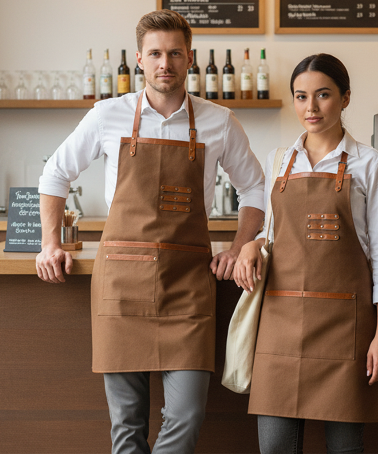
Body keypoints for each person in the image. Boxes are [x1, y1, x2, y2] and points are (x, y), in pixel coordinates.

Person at [36, 9, 265, 454]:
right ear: (139, 59)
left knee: (187, 415)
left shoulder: (219, 121)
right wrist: (50, 244)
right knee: (127, 425)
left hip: (188, 285)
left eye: (175, 53)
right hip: (121, 284)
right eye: (156, 53)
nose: (166, 64)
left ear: (190, 58)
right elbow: (55, 175)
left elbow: (254, 186)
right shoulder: (107, 115)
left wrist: (240, 246)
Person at [233, 54, 378, 453]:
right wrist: (253, 244)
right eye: (301, 96)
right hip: (280, 323)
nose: (311, 108)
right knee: (274, 448)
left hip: (346, 329)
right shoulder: (279, 161)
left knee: (345, 449)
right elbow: (274, 235)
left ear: (345, 99)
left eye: (323, 95)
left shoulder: (370, 165)